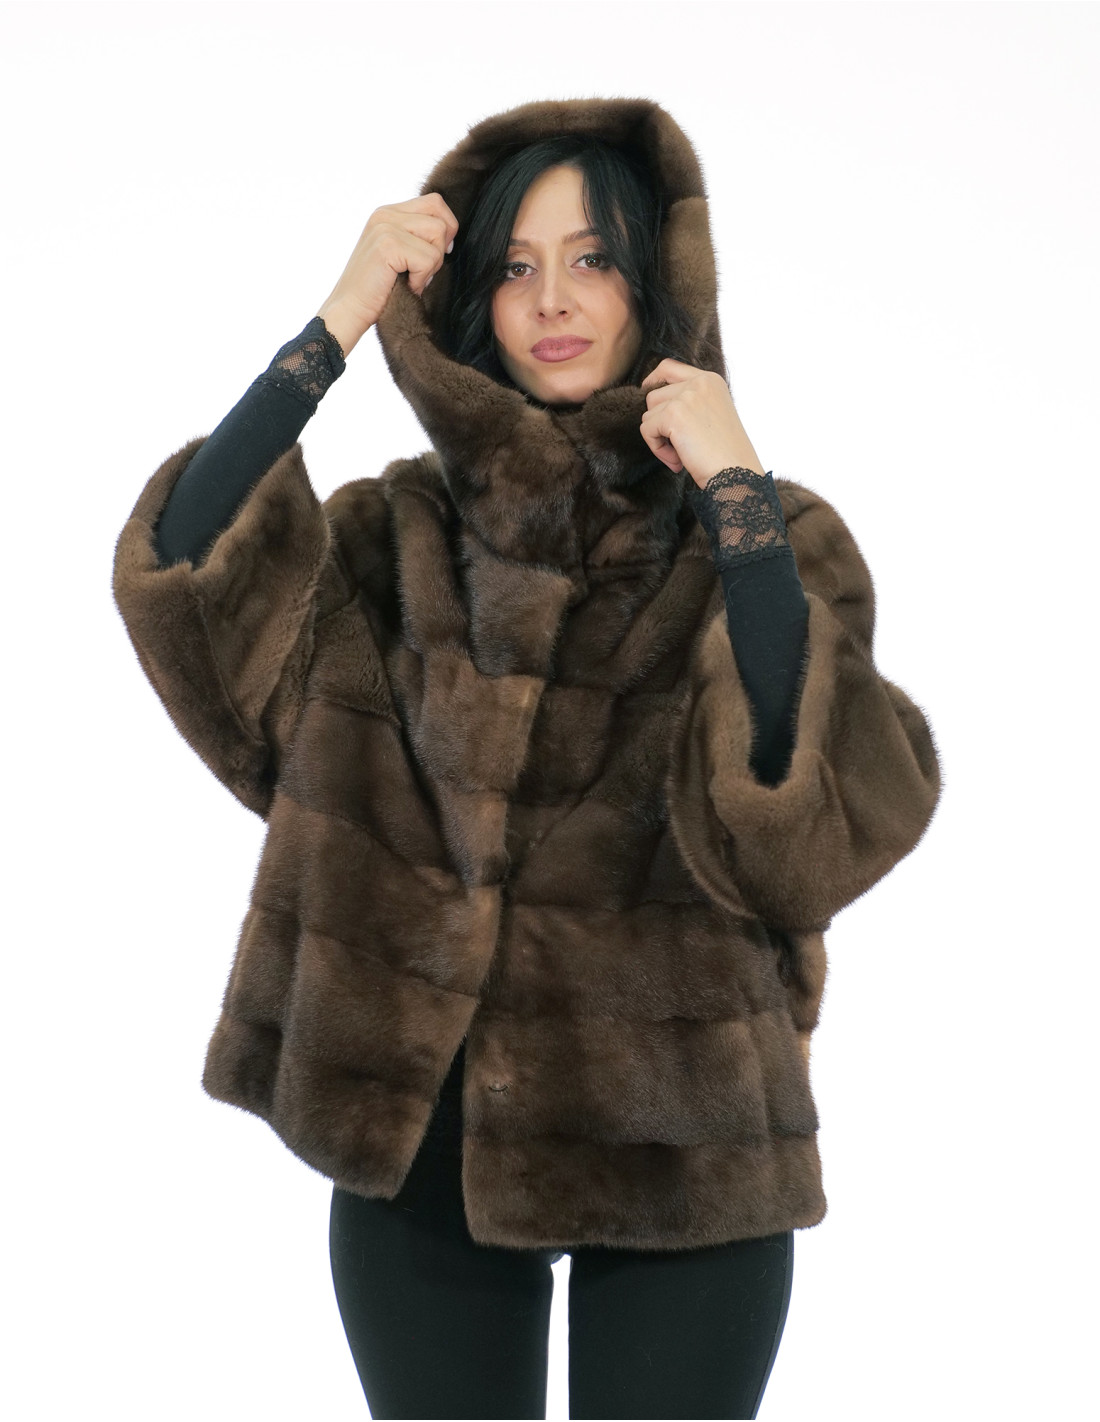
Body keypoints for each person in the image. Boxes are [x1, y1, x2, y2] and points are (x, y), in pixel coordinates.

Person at [113, 98, 942, 1420]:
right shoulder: (391, 541)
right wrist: (335, 325)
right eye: (515, 266)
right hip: (420, 1167)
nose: (553, 298)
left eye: (593, 258)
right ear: (472, 301)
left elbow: (803, 833)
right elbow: (188, 580)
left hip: (687, 1160)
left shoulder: (769, 541)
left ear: (658, 285)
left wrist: (737, 500)